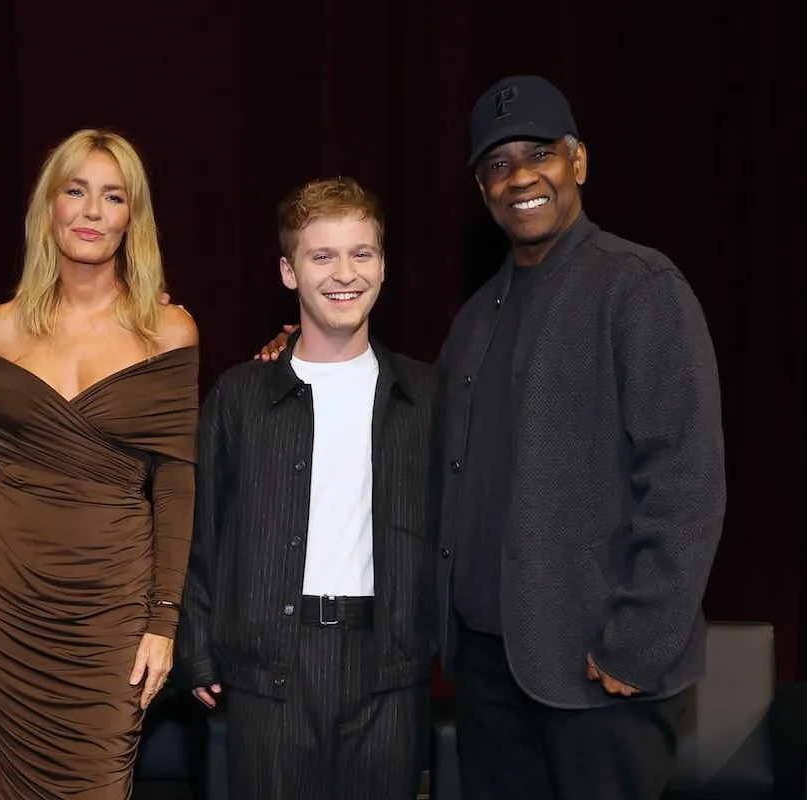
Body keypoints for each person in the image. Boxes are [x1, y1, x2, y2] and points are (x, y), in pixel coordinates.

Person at [261, 76, 727, 800]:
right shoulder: (475, 318)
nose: (521, 177)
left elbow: (687, 482)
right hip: (488, 671)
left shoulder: (638, 287)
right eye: (498, 165)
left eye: (540, 152)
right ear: (483, 192)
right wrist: (301, 360)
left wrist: (637, 645)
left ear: (579, 162)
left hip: (597, 671)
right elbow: (416, 439)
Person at [180, 178, 439, 800]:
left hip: (390, 665)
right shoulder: (240, 397)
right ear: (289, 271)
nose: (344, 273)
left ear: (383, 265)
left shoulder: (429, 397)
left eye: (362, 253)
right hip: (269, 666)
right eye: (321, 256)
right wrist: (196, 646)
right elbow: (199, 528)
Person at [0, 128, 199, 799]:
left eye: (113, 196)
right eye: (76, 191)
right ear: (50, 206)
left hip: (112, 606)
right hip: (7, 600)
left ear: (133, 218)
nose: (92, 211)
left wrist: (164, 620)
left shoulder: (169, 331)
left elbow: (178, 486)